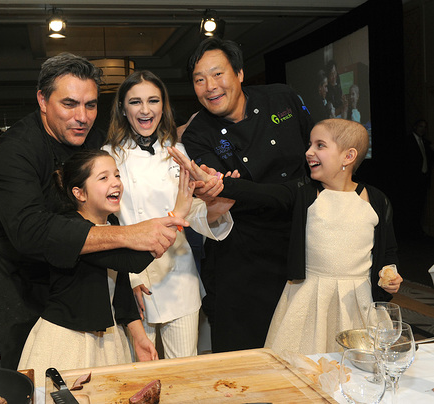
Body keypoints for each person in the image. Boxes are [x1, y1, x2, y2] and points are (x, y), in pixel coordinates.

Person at [0, 53, 186, 370]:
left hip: (58, 278)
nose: (82, 116)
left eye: (91, 105)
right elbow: (30, 233)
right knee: (9, 377)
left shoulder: (91, 141)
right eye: (69, 104)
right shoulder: (14, 152)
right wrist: (130, 234)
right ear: (43, 100)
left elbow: (102, 225)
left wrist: (130, 319)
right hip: (3, 276)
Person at [171, 119, 403, 354]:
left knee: (357, 364)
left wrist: (390, 275)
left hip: (357, 302)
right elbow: (257, 192)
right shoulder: (303, 192)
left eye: (320, 145)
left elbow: (387, 252)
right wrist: (217, 183)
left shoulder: (376, 200)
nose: (308, 152)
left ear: (348, 156)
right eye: (309, 144)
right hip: (310, 298)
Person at [180, 37, 314, 353]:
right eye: (199, 80)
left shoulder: (283, 97)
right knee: (242, 354)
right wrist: (215, 188)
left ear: (239, 73)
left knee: (304, 346)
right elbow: (220, 192)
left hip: (301, 236)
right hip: (243, 253)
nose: (209, 86)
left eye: (217, 74)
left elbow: (317, 149)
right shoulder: (198, 134)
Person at [103, 70, 234, 359]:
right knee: (137, 374)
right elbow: (107, 225)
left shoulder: (179, 152)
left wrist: (216, 208)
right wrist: (130, 281)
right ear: (123, 109)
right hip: (134, 277)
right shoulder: (107, 157)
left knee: (184, 374)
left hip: (179, 277)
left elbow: (191, 210)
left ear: (164, 106)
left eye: (153, 100)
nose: (146, 110)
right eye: (135, 102)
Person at [18, 150, 162, 386]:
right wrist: (177, 214)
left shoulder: (111, 224)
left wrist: (139, 337)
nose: (116, 182)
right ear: (79, 193)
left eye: (116, 175)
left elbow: (121, 287)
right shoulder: (71, 229)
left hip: (107, 339)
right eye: (103, 178)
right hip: (68, 341)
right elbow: (131, 262)